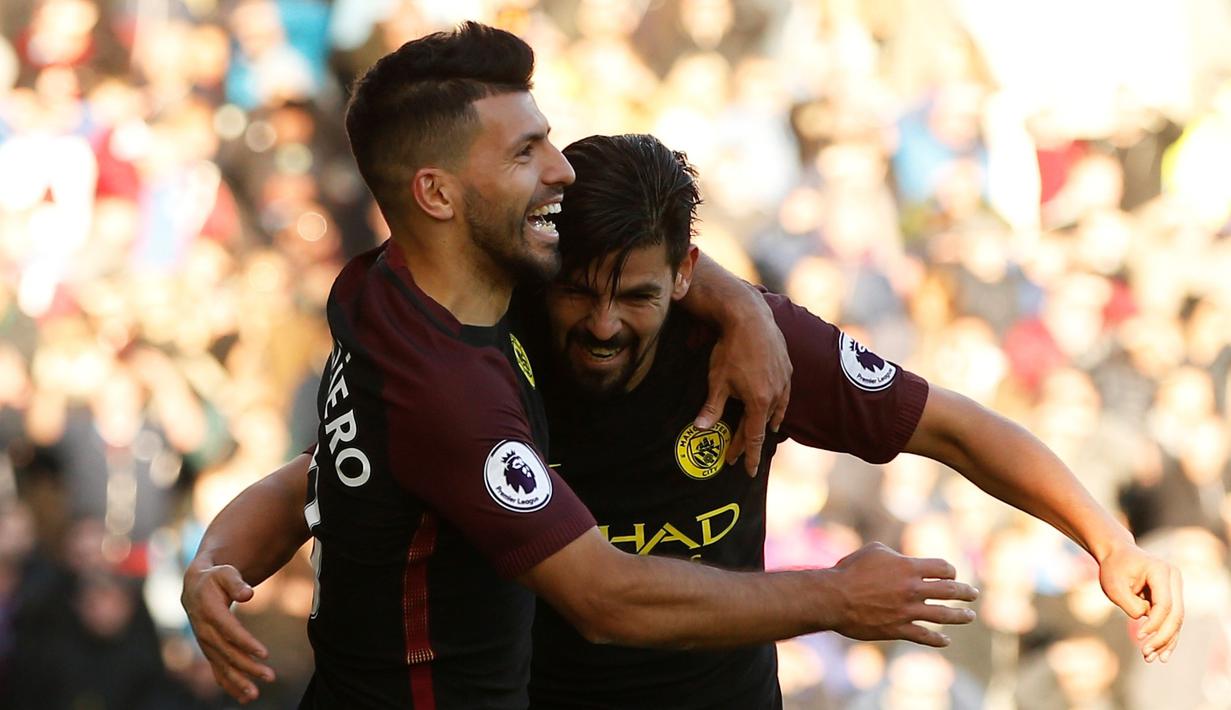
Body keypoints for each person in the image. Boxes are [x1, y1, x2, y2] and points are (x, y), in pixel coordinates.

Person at [185, 131, 1183, 708]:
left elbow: (954, 426)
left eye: (638, 294)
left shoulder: (754, 341)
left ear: (687, 273)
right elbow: (324, 474)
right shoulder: (493, 359)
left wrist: (1108, 537)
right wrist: (219, 555)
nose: (604, 322)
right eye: (581, 292)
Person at [185, 23, 983, 709]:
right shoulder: (451, 394)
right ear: (438, 194)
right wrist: (834, 594)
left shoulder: (391, 289)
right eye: (528, 152)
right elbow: (605, 596)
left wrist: (215, 557)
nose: (558, 169)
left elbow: (318, 474)